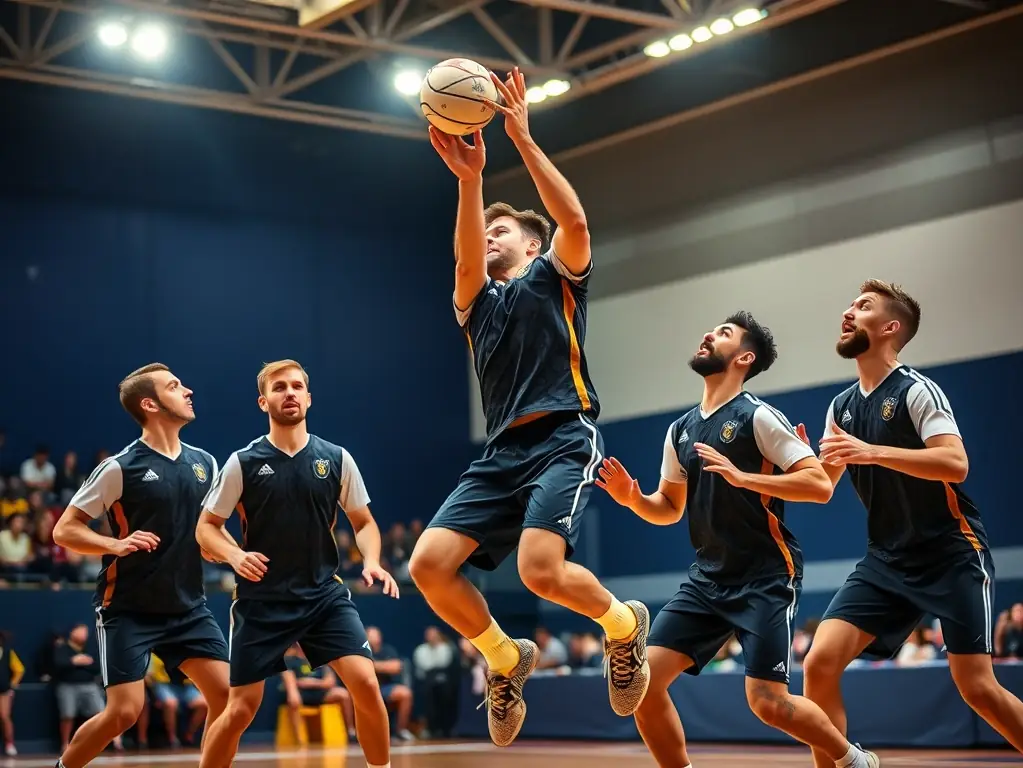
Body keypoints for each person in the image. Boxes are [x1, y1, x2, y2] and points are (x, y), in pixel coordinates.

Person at [409, 66, 649, 748]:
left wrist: (518, 136)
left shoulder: (555, 277)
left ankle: (623, 626)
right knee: (427, 564)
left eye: (502, 231)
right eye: (484, 231)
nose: (489, 236)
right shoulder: (476, 304)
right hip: (502, 452)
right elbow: (463, 266)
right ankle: (504, 654)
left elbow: (573, 217)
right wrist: (468, 179)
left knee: (538, 572)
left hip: (563, 437)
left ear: (532, 245)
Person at [597, 313, 880, 768]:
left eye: (723, 333)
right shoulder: (681, 430)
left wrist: (742, 477)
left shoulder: (759, 417)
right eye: (711, 330)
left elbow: (819, 485)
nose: (708, 334)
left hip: (765, 576)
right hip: (707, 579)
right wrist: (633, 499)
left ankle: (852, 759)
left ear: (744, 358)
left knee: (766, 701)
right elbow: (668, 509)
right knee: (642, 685)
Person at [802, 280, 1023, 763]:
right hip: (886, 560)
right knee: (818, 662)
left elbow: (955, 463)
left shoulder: (917, 390)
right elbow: (822, 486)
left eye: (862, 307)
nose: (847, 311)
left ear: (890, 327)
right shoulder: (840, 408)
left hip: (951, 552)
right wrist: (776, 469)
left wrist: (872, 451)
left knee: (978, 688)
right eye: (849, 304)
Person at [195, 359, 398, 768]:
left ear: (308, 397)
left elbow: (364, 522)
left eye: (296, 386)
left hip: (323, 595)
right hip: (262, 601)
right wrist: (235, 555)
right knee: (240, 710)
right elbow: (206, 528)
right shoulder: (243, 462)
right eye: (279, 387)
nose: (289, 392)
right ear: (263, 401)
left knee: (365, 684)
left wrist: (372, 560)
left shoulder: (337, 458)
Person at [51, 363, 230, 768]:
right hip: (128, 609)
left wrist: (234, 554)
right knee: (124, 713)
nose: (187, 390)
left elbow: (209, 533)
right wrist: (115, 543)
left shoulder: (206, 463)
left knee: (229, 698)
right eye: (174, 386)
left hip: (188, 607)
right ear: (149, 404)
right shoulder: (120, 467)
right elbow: (64, 531)